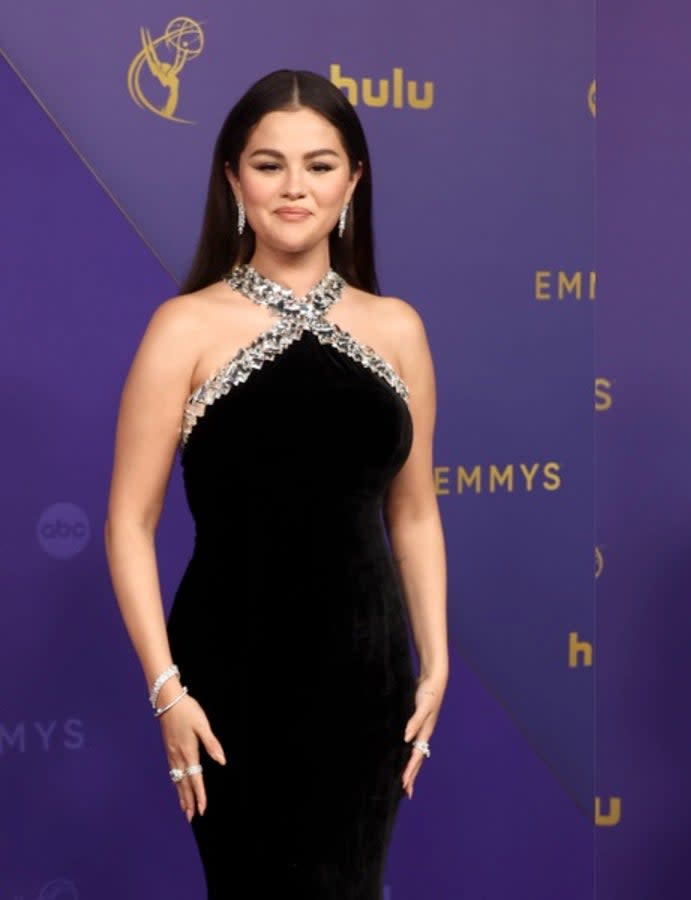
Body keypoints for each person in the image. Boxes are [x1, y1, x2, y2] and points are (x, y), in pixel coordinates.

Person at [104, 69, 447, 898]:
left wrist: (434, 666)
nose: (296, 188)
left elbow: (414, 514)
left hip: (369, 678)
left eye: (320, 165)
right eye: (269, 164)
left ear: (353, 179)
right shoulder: (183, 327)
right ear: (232, 177)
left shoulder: (397, 327)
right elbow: (128, 521)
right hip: (229, 678)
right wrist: (166, 689)